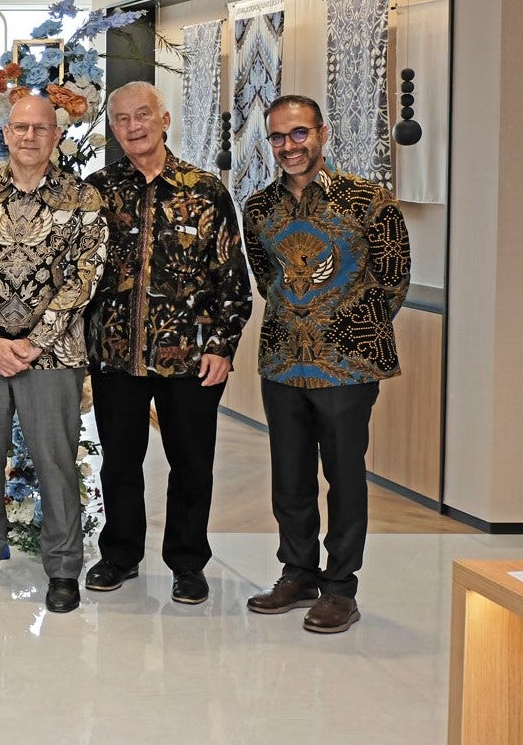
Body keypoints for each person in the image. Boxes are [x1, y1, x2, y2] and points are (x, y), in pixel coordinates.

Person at [242, 94, 410, 635]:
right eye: (277, 136)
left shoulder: (368, 199)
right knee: (289, 478)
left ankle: (340, 588)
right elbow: (266, 276)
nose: (289, 145)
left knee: (344, 477)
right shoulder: (259, 208)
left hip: (347, 366)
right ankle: (297, 575)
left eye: (299, 133)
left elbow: (392, 279)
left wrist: (341, 327)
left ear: (322, 133)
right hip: (282, 362)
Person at [82, 82, 252, 606]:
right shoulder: (98, 191)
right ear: (112, 128)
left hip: (192, 358)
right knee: (119, 463)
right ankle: (119, 555)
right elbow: (80, 276)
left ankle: (187, 562)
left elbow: (232, 276)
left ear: (164, 119)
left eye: (142, 115)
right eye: (122, 118)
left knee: (192, 465)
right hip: (116, 356)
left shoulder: (205, 190)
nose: (133, 126)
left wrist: (222, 345)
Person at [0, 91, 106, 614]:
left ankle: (63, 567)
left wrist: (35, 342)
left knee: (55, 460)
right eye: (20, 127)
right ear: (6, 133)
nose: (29, 136)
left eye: (40, 128)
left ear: (56, 135)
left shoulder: (83, 199)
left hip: (54, 356)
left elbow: (86, 277)